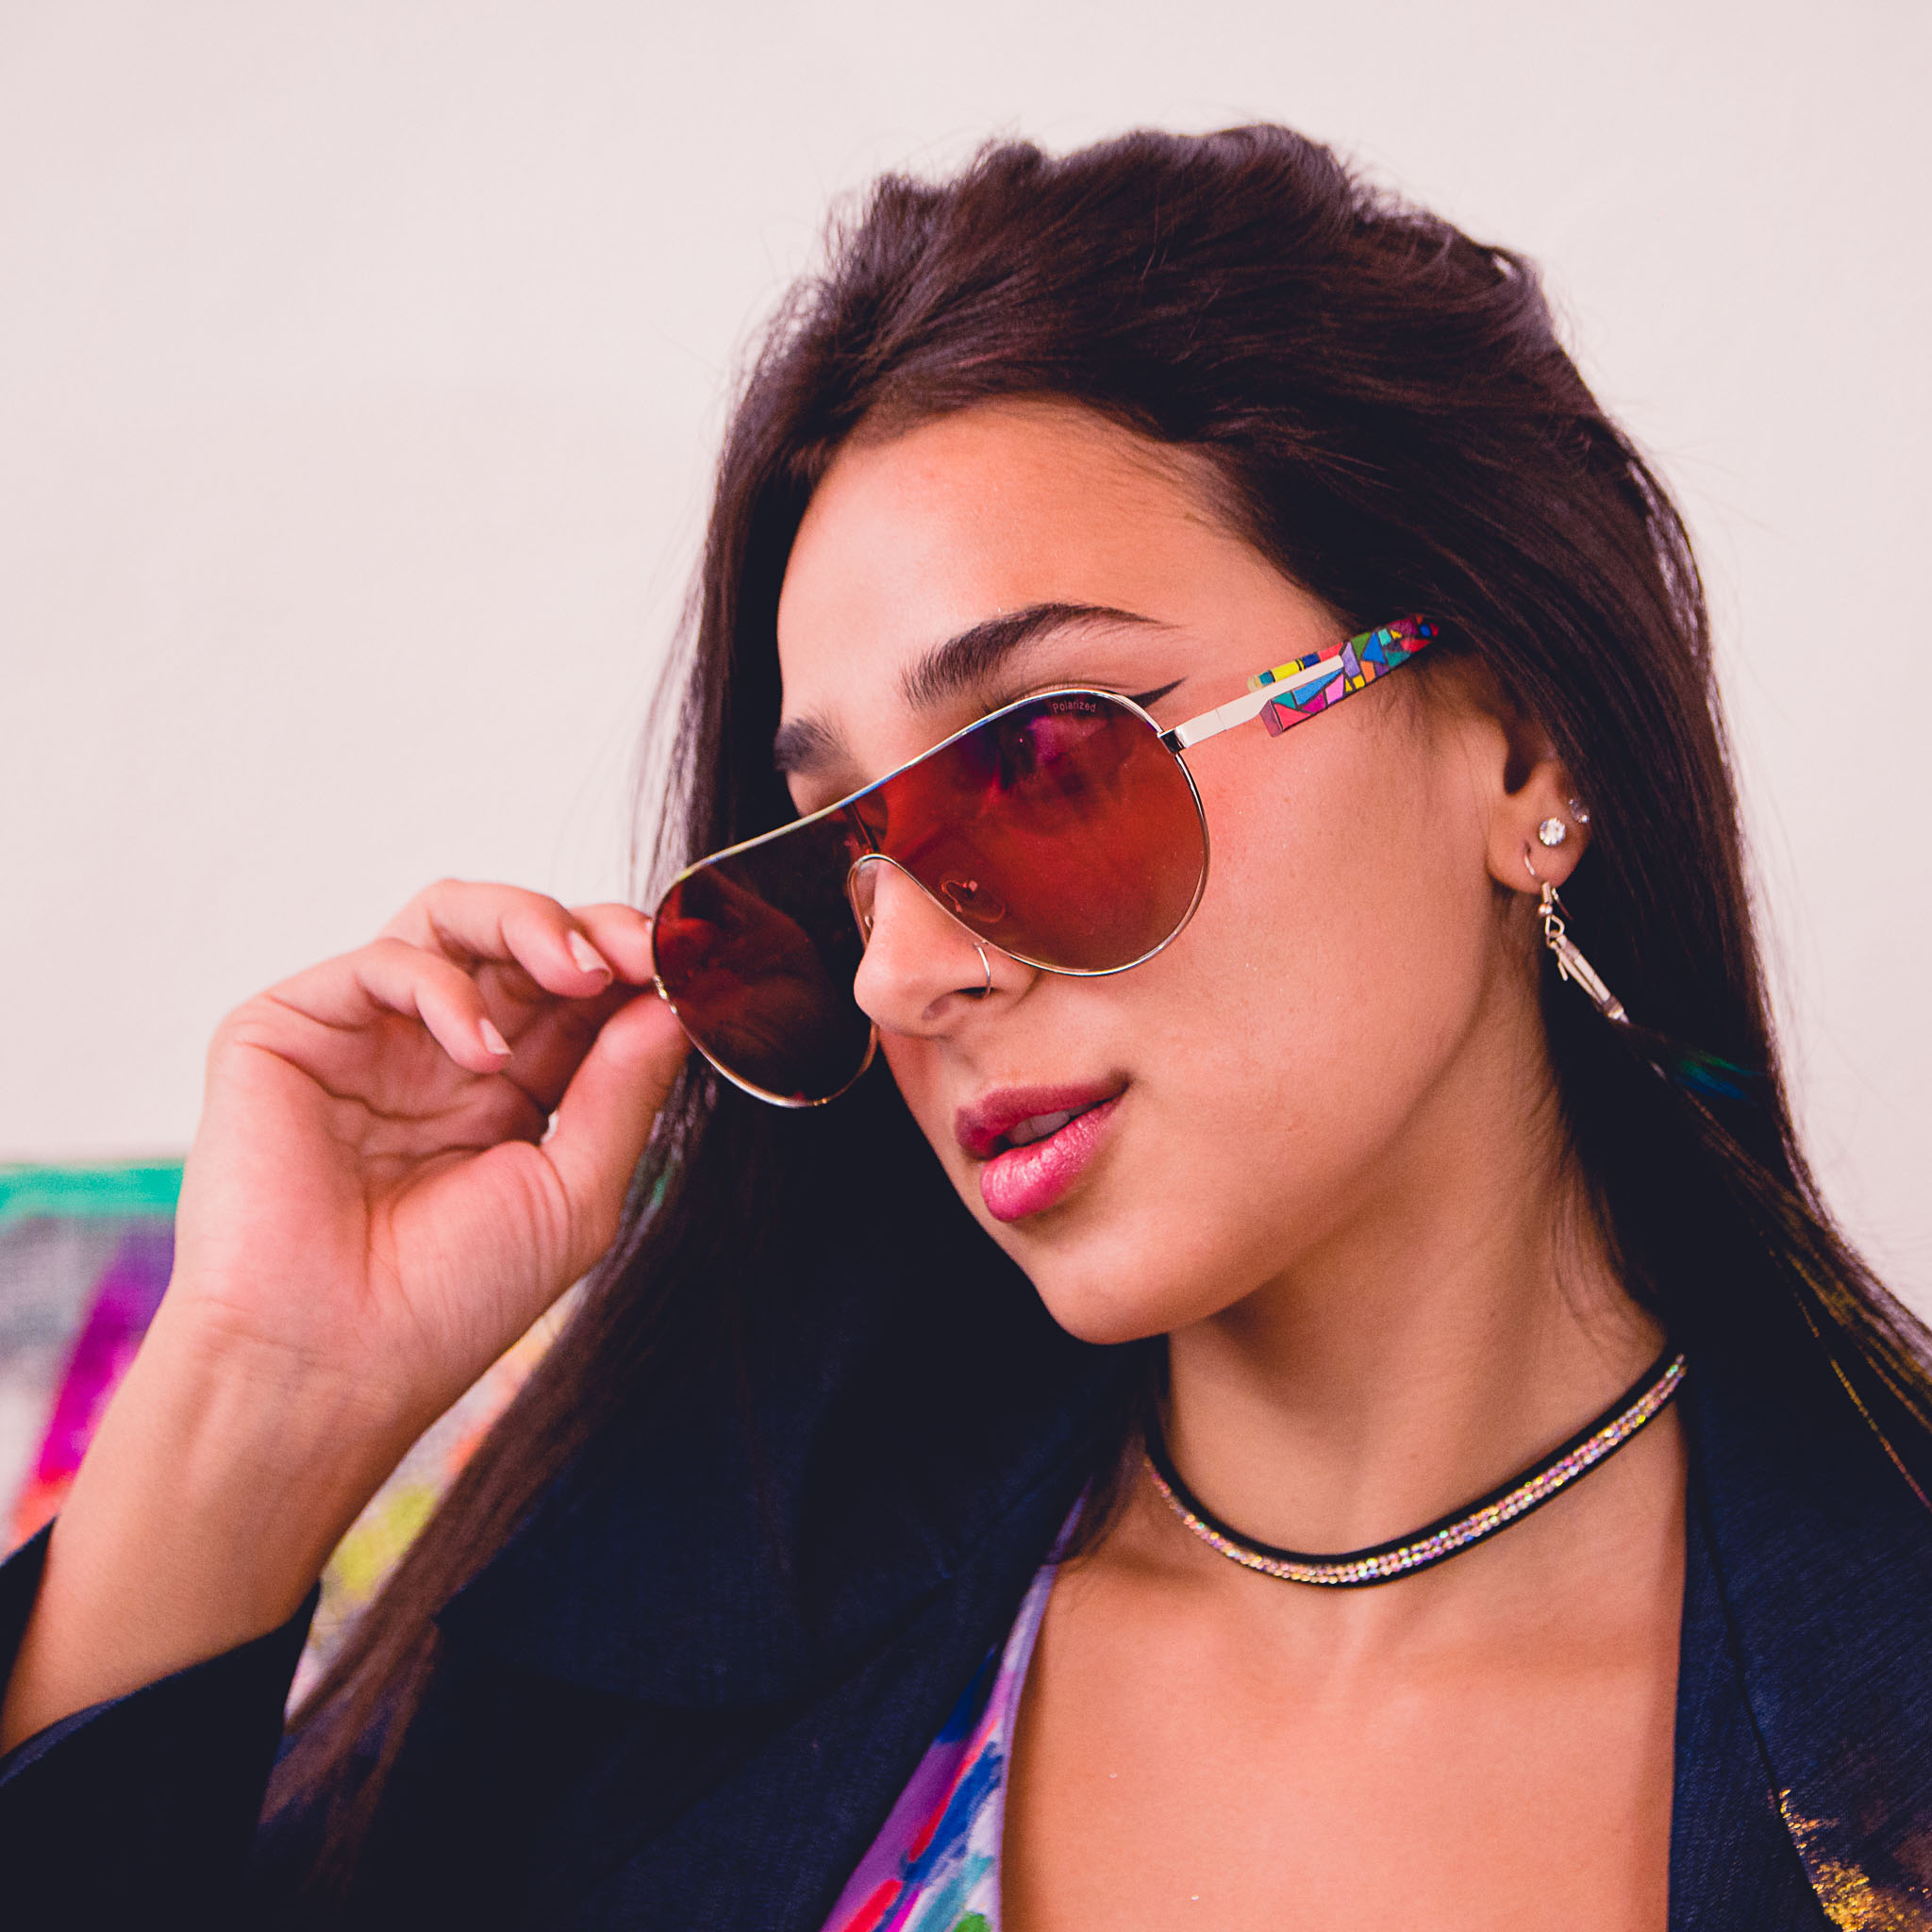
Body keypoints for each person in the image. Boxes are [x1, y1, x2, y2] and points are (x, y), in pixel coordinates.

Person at [2, 125, 1927, 1930]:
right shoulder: (659, 1669)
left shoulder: (1876, 1740)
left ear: (1517, 745)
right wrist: (256, 1402)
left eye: (1040, 764)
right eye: (842, 861)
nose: (901, 970)